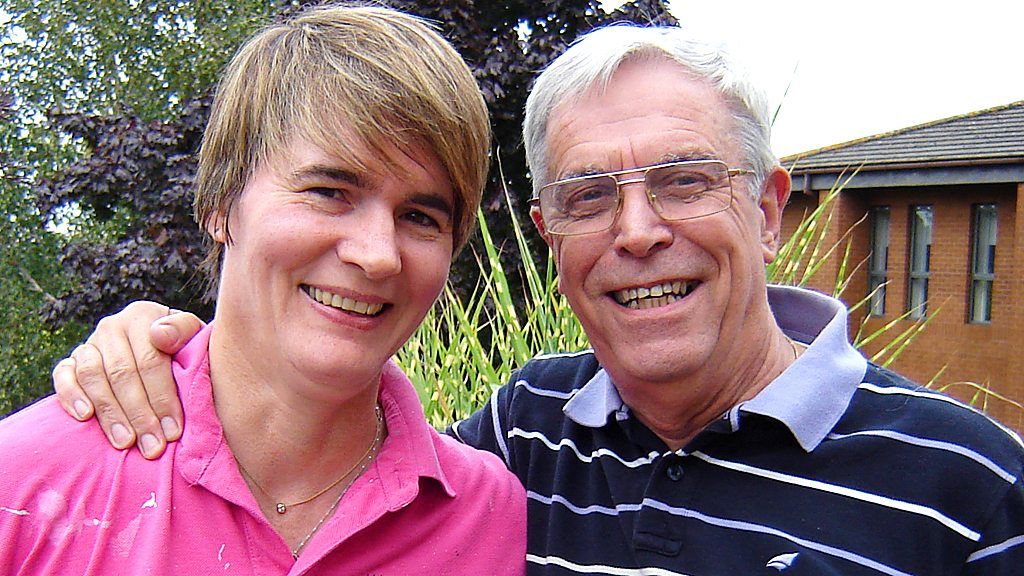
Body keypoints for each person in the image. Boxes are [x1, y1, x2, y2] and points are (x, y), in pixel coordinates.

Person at [49, 22, 1024, 576]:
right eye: (588, 196)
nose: (637, 231)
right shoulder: (523, 436)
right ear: (550, 233)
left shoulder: (972, 489)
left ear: (768, 210)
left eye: (684, 181)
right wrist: (161, 346)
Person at [0, 5, 526, 574]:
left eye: (421, 217)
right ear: (220, 203)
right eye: (329, 192)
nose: (378, 254)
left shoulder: (487, 515)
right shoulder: (24, 487)